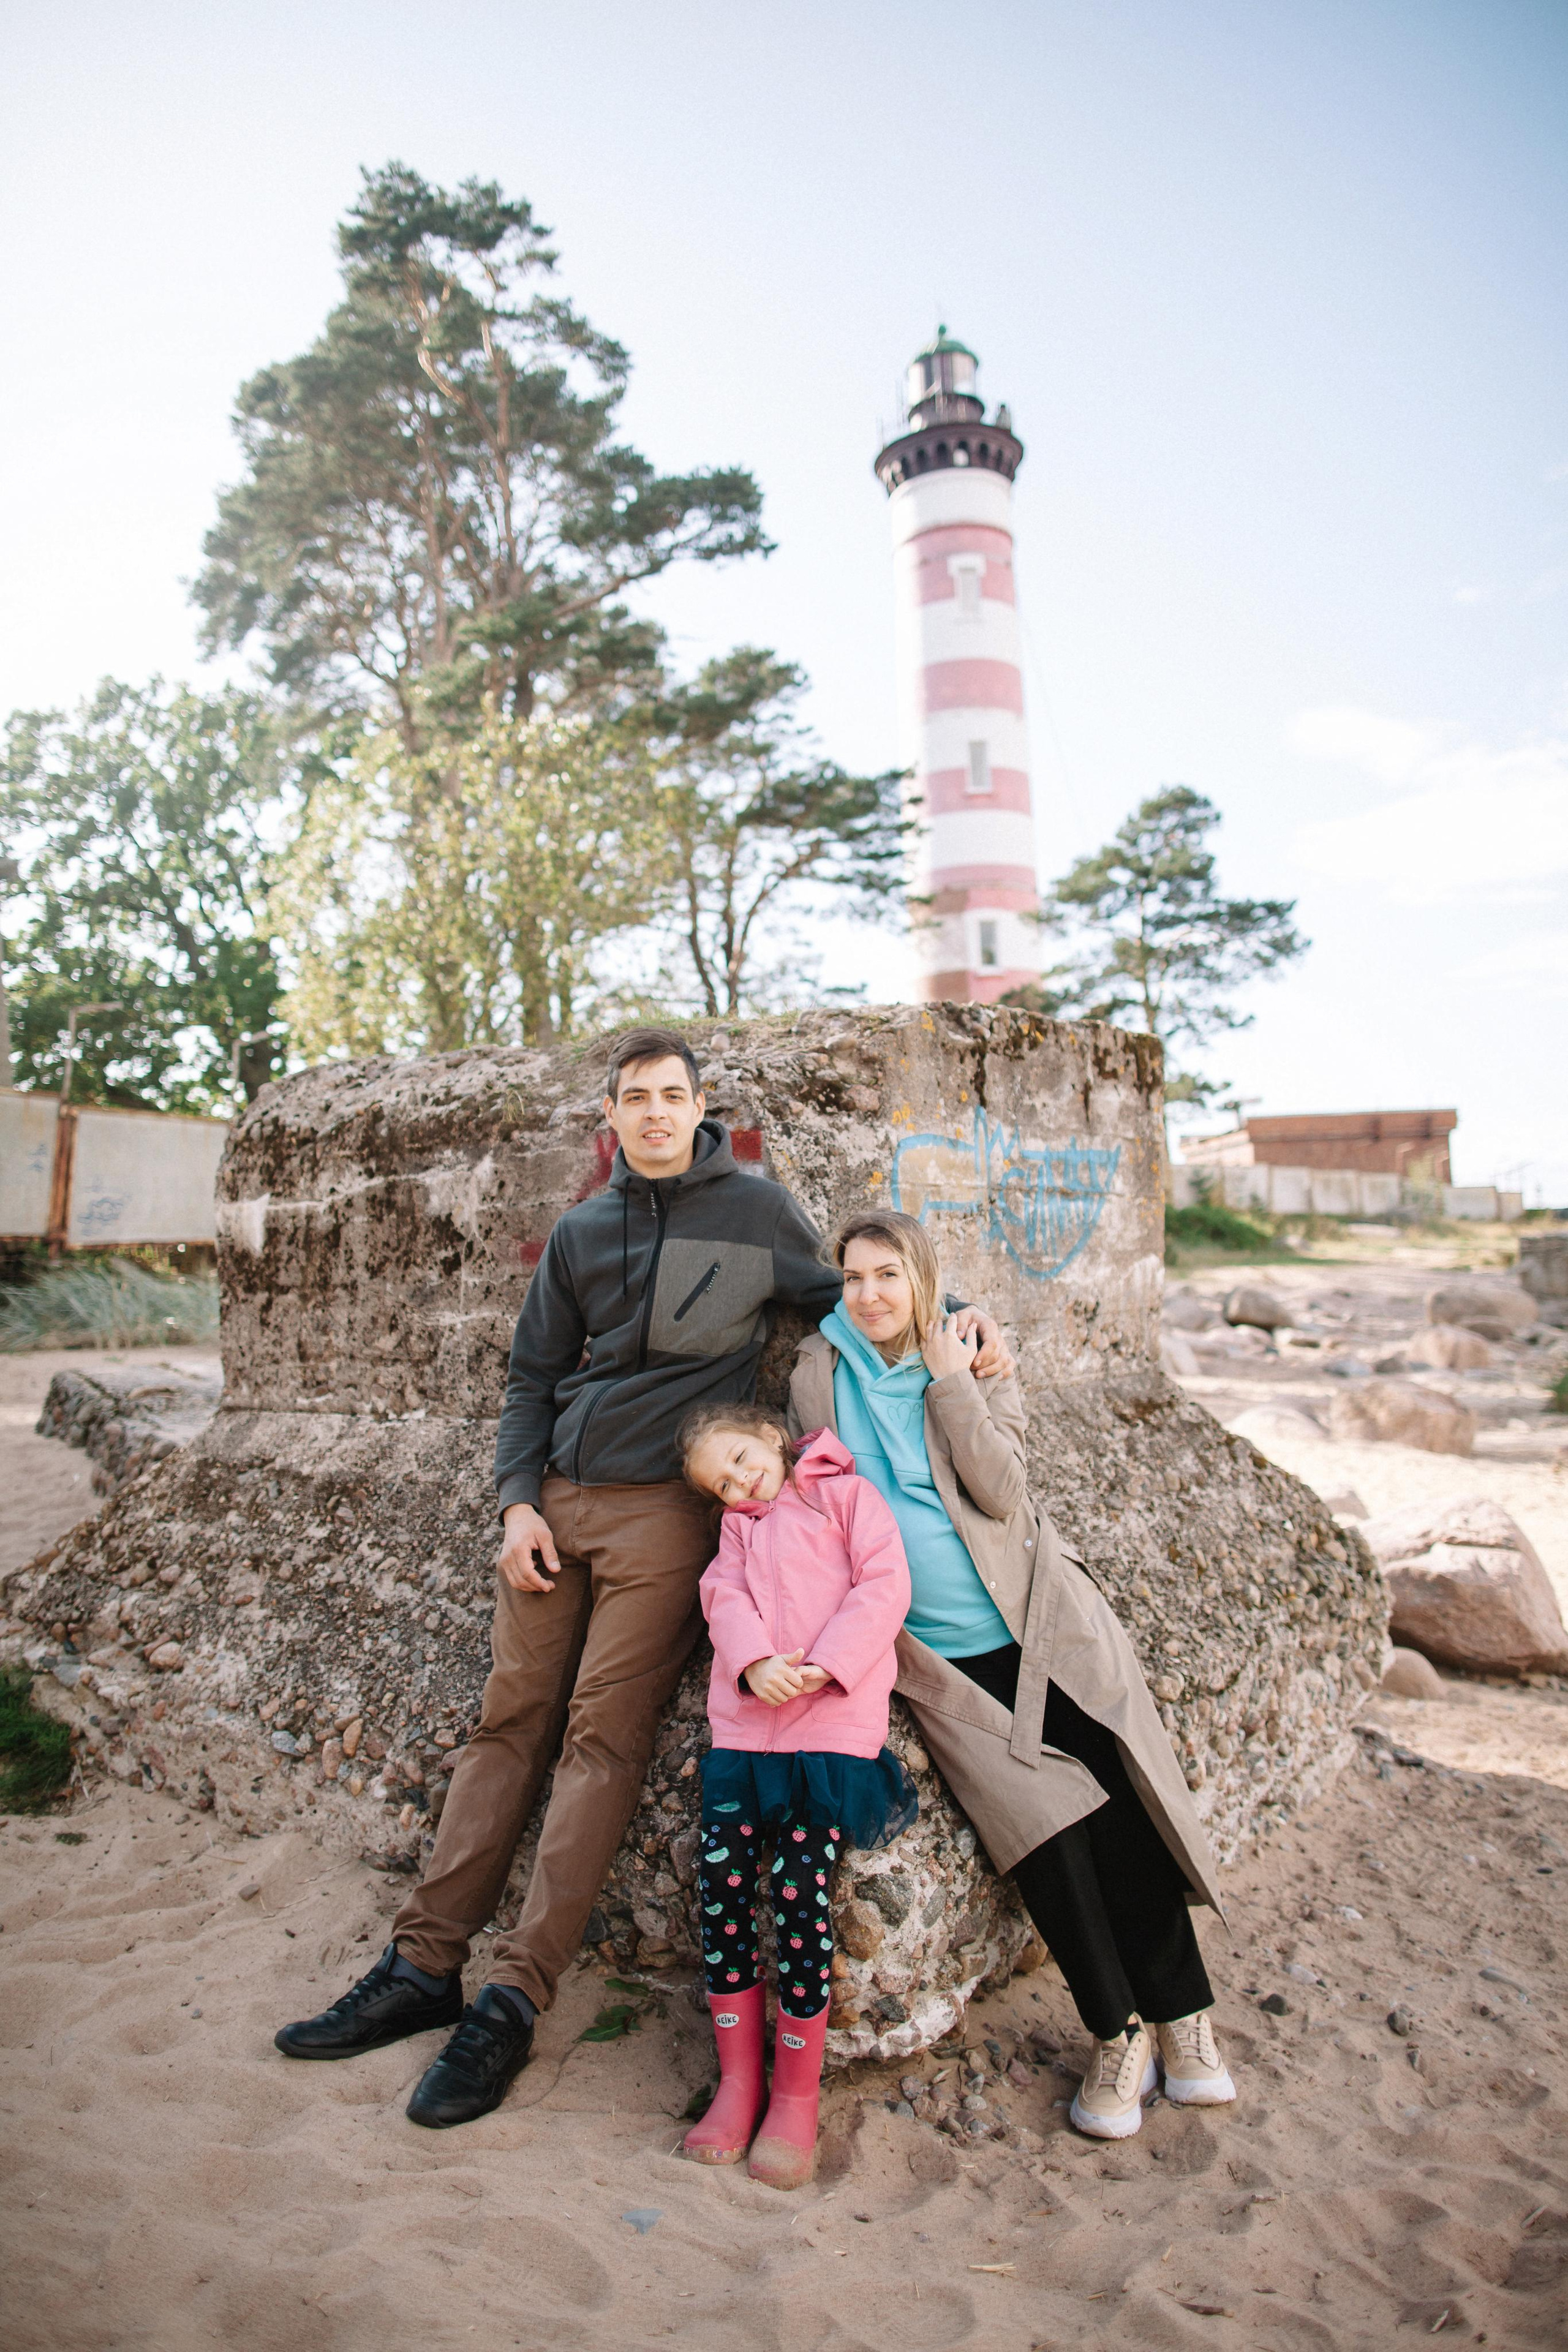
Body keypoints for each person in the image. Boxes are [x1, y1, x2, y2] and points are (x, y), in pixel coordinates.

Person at [274, 1029, 1009, 2129]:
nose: (655, 1113)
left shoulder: (755, 1215)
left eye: (673, 1095)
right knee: (506, 1724)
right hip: (558, 1504)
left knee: (599, 1739)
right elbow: (531, 1378)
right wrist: (517, 1501)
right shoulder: (583, 1230)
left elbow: (857, 1302)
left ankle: (512, 2001)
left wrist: (964, 1326)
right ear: (610, 1118)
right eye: (635, 1098)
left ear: (700, 1106)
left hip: (669, 1522)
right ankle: (422, 1969)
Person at [787, 1207, 1235, 2143]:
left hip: (1040, 1626)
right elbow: (819, 1508)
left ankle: (1185, 2020)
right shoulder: (817, 1374)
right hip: (940, 1662)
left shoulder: (973, 1358)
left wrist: (955, 1382)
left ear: (922, 1280)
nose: (869, 1294)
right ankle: (1117, 2034)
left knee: (1119, 1808)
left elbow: (1003, 1489)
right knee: (1041, 1837)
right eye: (854, 1277)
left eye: (888, 1275)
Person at [676, 1404, 918, 2188]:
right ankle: (739, 2082)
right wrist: (750, 1662)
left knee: (801, 1898)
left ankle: (796, 2093)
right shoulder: (739, 1531)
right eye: (723, 1482)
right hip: (748, 1737)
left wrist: (828, 1661)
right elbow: (724, 1598)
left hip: (826, 1728)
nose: (741, 1482)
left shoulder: (846, 1497)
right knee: (721, 1890)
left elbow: (885, 1584)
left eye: (743, 1458)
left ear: (774, 1439)